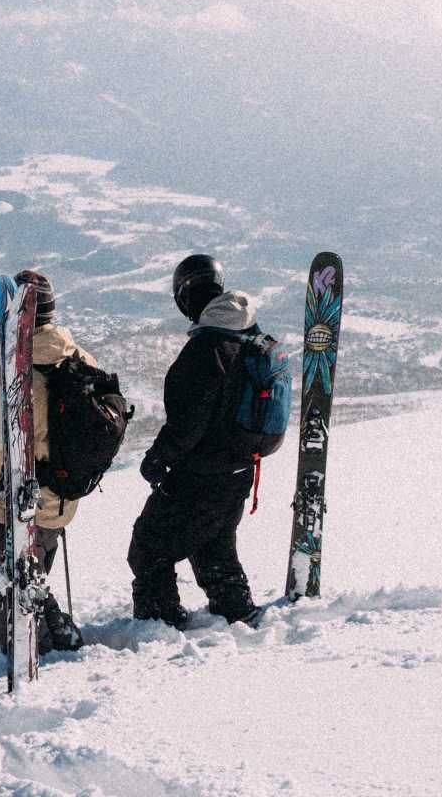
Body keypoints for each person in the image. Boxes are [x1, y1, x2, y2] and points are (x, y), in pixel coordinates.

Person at [127, 254, 264, 629]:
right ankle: (239, 613)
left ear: (183, 295)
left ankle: (158, 625)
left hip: (202, 474)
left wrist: (157, 458)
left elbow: (188, 422)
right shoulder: (250, 336)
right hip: (238, 471)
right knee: (214, 544)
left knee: (149, 545)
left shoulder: (207, 350)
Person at [0, 270, 89, 656]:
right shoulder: (81, 360)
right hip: (62, 502)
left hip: (15, 509)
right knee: (33, 579)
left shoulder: (11, 376)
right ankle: (61, 643)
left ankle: (41, 657)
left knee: (9, 604)